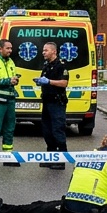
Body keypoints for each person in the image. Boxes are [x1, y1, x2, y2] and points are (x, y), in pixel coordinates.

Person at [37, 41, 69, 169]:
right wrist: (40, 81)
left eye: (46, 50)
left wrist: (49, 81)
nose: (43, 52)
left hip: (57, 103)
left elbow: (64, 83)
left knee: (57, 130)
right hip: (47, 102)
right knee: (47, 131)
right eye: (43, 50)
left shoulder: (61, 65)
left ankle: (61, 160)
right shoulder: (46, 65)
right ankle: (50, 157)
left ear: (54, 51)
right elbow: (44, 80)